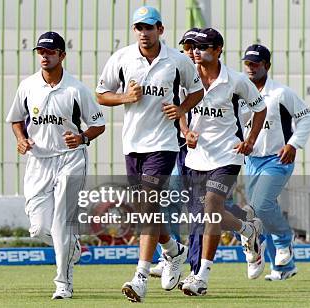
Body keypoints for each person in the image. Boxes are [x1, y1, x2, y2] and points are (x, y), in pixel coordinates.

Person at [95, 6, 204, 302]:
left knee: (147, 201)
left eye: (149, 27)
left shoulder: (178, 61)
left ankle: (140, 277)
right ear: (134, 31)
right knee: (147, 209)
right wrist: (124, 98)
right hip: (132, 144)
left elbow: (197, 92)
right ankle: (173, 250)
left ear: (161, 29)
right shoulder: (121, 58)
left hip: (164, 144)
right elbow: (101, 94)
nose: (144, 33)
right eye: (139, 27)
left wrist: (181, 109)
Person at [6, 31, 105, 299]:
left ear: (62, 55)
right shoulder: (27, 86)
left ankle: (63, 283)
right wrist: (21, 139)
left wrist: (82, 137)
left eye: (50, 52)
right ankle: (70, 246)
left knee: (62, 220)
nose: (44, 56)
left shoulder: (76, 89)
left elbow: (98, 124)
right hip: (39, 161)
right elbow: (16, 119)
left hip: (70, 159)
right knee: (39, 227)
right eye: (41, 52)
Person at [180, 28, 267, 296]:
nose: (196, 51)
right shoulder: (187, 77)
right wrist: (186, 132)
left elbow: (260, 108)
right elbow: (180, 107)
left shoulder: (236, 80)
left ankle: (201, 276)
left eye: (203, 47)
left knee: (211, 206)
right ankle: (246, 228)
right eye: (194, 47)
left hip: (228, 154)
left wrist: (250, 140)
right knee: (207, 214)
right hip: (197, 156)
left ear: (218, 50)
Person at [241, 44, 310, 281]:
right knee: (258, 214)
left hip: (278, 159)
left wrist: (293, 144)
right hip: (252, 161)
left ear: (267, 66)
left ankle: (285, 240)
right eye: (248, 64)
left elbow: (306, 117)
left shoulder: (281, 93)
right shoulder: (240, 94)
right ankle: (283, 267)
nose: (251, 68)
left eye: (256, 64)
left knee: (261, 204)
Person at [149, 27, 200, 279]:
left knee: (206, 206)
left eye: (195, 47)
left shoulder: (213, 80)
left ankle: (247, 231)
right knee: (169, 202)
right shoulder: (175, 71)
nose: (191, 52)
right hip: (175, 147)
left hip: (203, 152)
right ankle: (171, 254)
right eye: (187, 47)